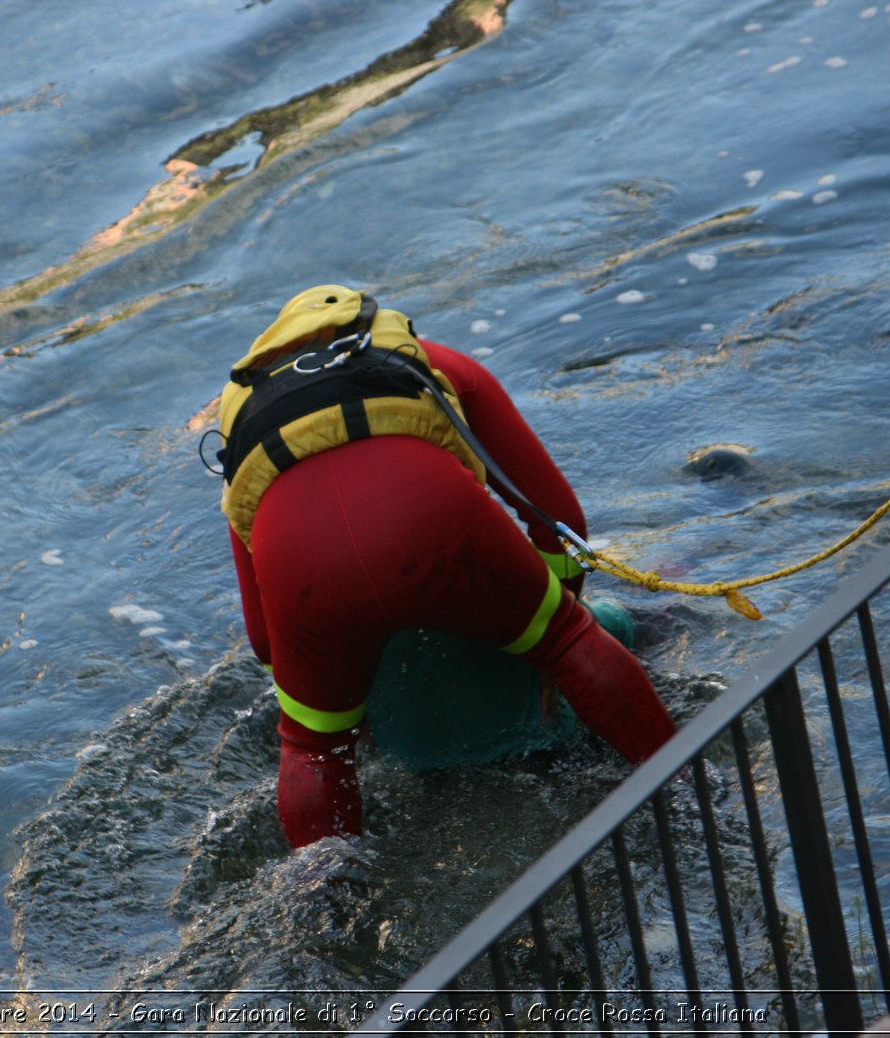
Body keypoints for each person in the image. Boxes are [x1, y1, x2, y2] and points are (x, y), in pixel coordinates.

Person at [216, 285, 678, 848]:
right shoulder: (433, 361)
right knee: (569, 642)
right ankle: (679, 783)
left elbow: (265, 643)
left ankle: (323, 894)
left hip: (302, 559)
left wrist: (341, 711)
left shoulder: (249, 417)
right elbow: (558, 519)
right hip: (428, 510)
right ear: (369, 327)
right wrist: (558, 626)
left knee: (312, 746)